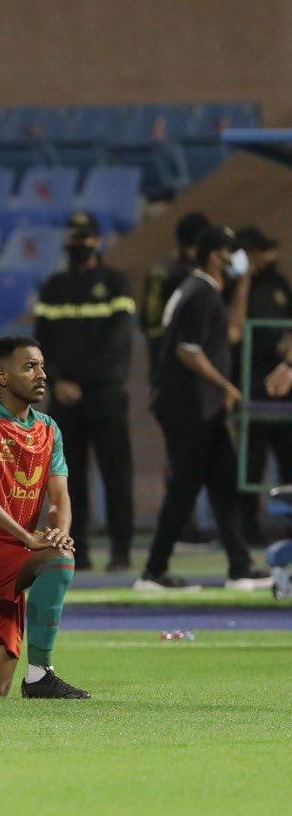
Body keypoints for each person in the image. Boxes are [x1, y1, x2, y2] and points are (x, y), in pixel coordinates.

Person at [0, 336, 90, 699]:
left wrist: (59, 532)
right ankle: (40, 675)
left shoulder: (49, 429)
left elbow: (59, 495)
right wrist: (28, 538)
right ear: (2, 376)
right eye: (29, 367)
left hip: (13, 556)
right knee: (58, 561)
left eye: (41, 366)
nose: (42, 375)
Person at [142, 226, 272, 590]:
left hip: (201, 408)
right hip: (188, 406)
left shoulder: (204, 291)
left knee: (223, 483)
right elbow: (189, 350)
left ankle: (240, 567)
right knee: (185, 488)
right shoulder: (200, 292)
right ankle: (153, 571)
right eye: (231, 251)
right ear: (216, 255)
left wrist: (243, 286)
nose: (237, 257)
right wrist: (226, 386)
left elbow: (232, 334)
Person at [33, 212, 136, 572]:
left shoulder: (116, 283)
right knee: (68, 480)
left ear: (98, 241)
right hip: (65, 398)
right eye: (74, 238)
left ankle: (121, 550)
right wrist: (57, 382)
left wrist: (82, 382)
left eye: (85, 238)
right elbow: (41, 343)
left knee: (116, 475)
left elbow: (118, 342)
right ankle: (78, 549)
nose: (78, 245)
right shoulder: (54, 287)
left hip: (105, 395)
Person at [232, 227, 292, 542]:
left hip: (284, 385)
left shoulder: (279, 284)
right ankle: (248, 529)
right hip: (250, 383)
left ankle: (289, 525)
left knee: (288, 459)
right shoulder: (236, 287)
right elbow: (234, 331)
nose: (272, 255)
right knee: (250, 461)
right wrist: (243, 284)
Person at [143, 211, 210, 377]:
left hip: (197, 359)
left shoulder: (161, 271)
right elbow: (151, 322)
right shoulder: (163, 273)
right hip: (173, 364)